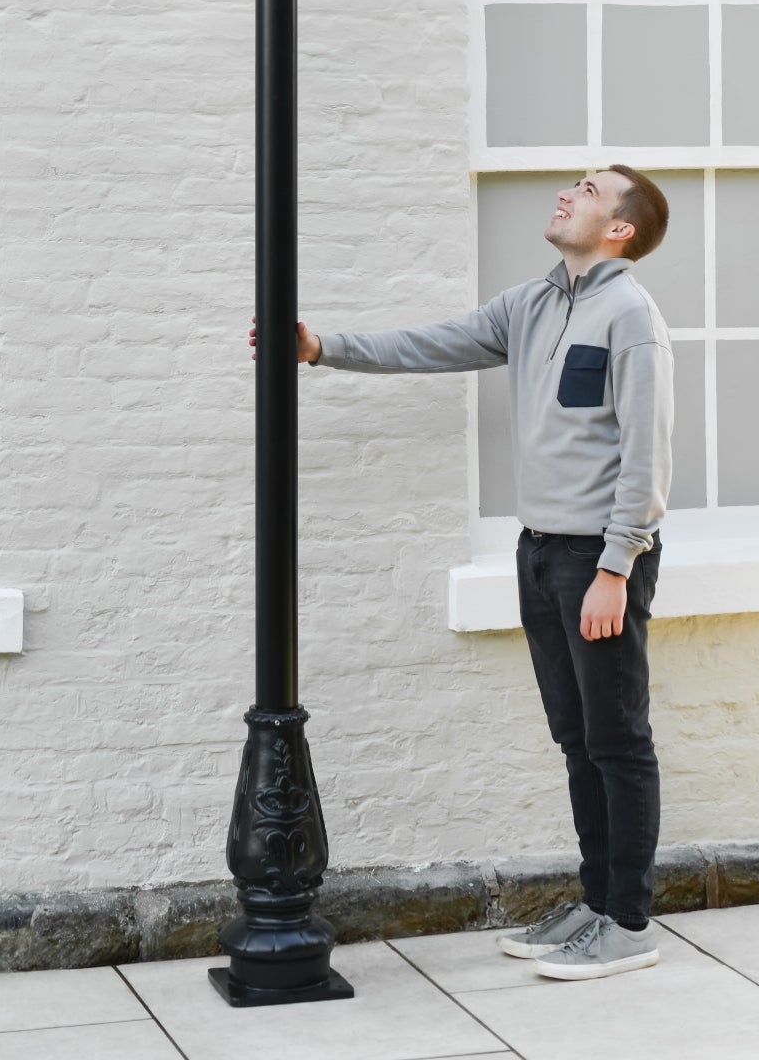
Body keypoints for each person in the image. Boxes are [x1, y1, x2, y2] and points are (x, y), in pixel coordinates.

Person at [261, 165, 673, 982]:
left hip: (598, 559)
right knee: (575, 739)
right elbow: (435, 343)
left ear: (620, 228)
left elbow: (648, 455)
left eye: (589, 191)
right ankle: (594, 903)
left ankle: (627, 922)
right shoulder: (532, 303)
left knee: (618, 742)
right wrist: (322, 348)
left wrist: (615, 567)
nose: (567, 194)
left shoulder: (631, 315)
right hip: (541, 552)